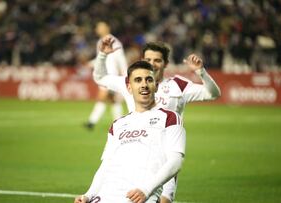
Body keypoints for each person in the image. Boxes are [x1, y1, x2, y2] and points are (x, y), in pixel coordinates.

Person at [92, 36, 221, 203]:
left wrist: (201, 72)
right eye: (148, 59)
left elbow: (213, 93)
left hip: (166, 158)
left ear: (166, 63)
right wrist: (102, 55)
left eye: (157, 60)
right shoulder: (130, 82)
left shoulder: (177, 85)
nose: (152, 63)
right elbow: (100, 78)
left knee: (164, 200)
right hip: (138, 158)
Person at [74, 61, 186, 203]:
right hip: (105, 196)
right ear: (129, 87)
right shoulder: (117, 124)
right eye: (138, 80)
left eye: (149, 80)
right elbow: (106, 166)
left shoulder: (170, 118)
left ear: (156, 86)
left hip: (139, 198)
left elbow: (176, 162)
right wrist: (88, 195)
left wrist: (146, 190)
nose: (144, 85)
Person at [84, 21, 128, 130]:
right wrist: (90, 63)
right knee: (113, 101)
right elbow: (101, 58)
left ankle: (91, 122)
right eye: (97, 27)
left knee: (101, 98)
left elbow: (121, 59)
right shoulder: (101, 41)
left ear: (107, 28)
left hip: (109, 75)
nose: (97, 29)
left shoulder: (113, 41)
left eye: (100, 27)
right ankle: (120, 124)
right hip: (105, 74)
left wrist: (126, 75)